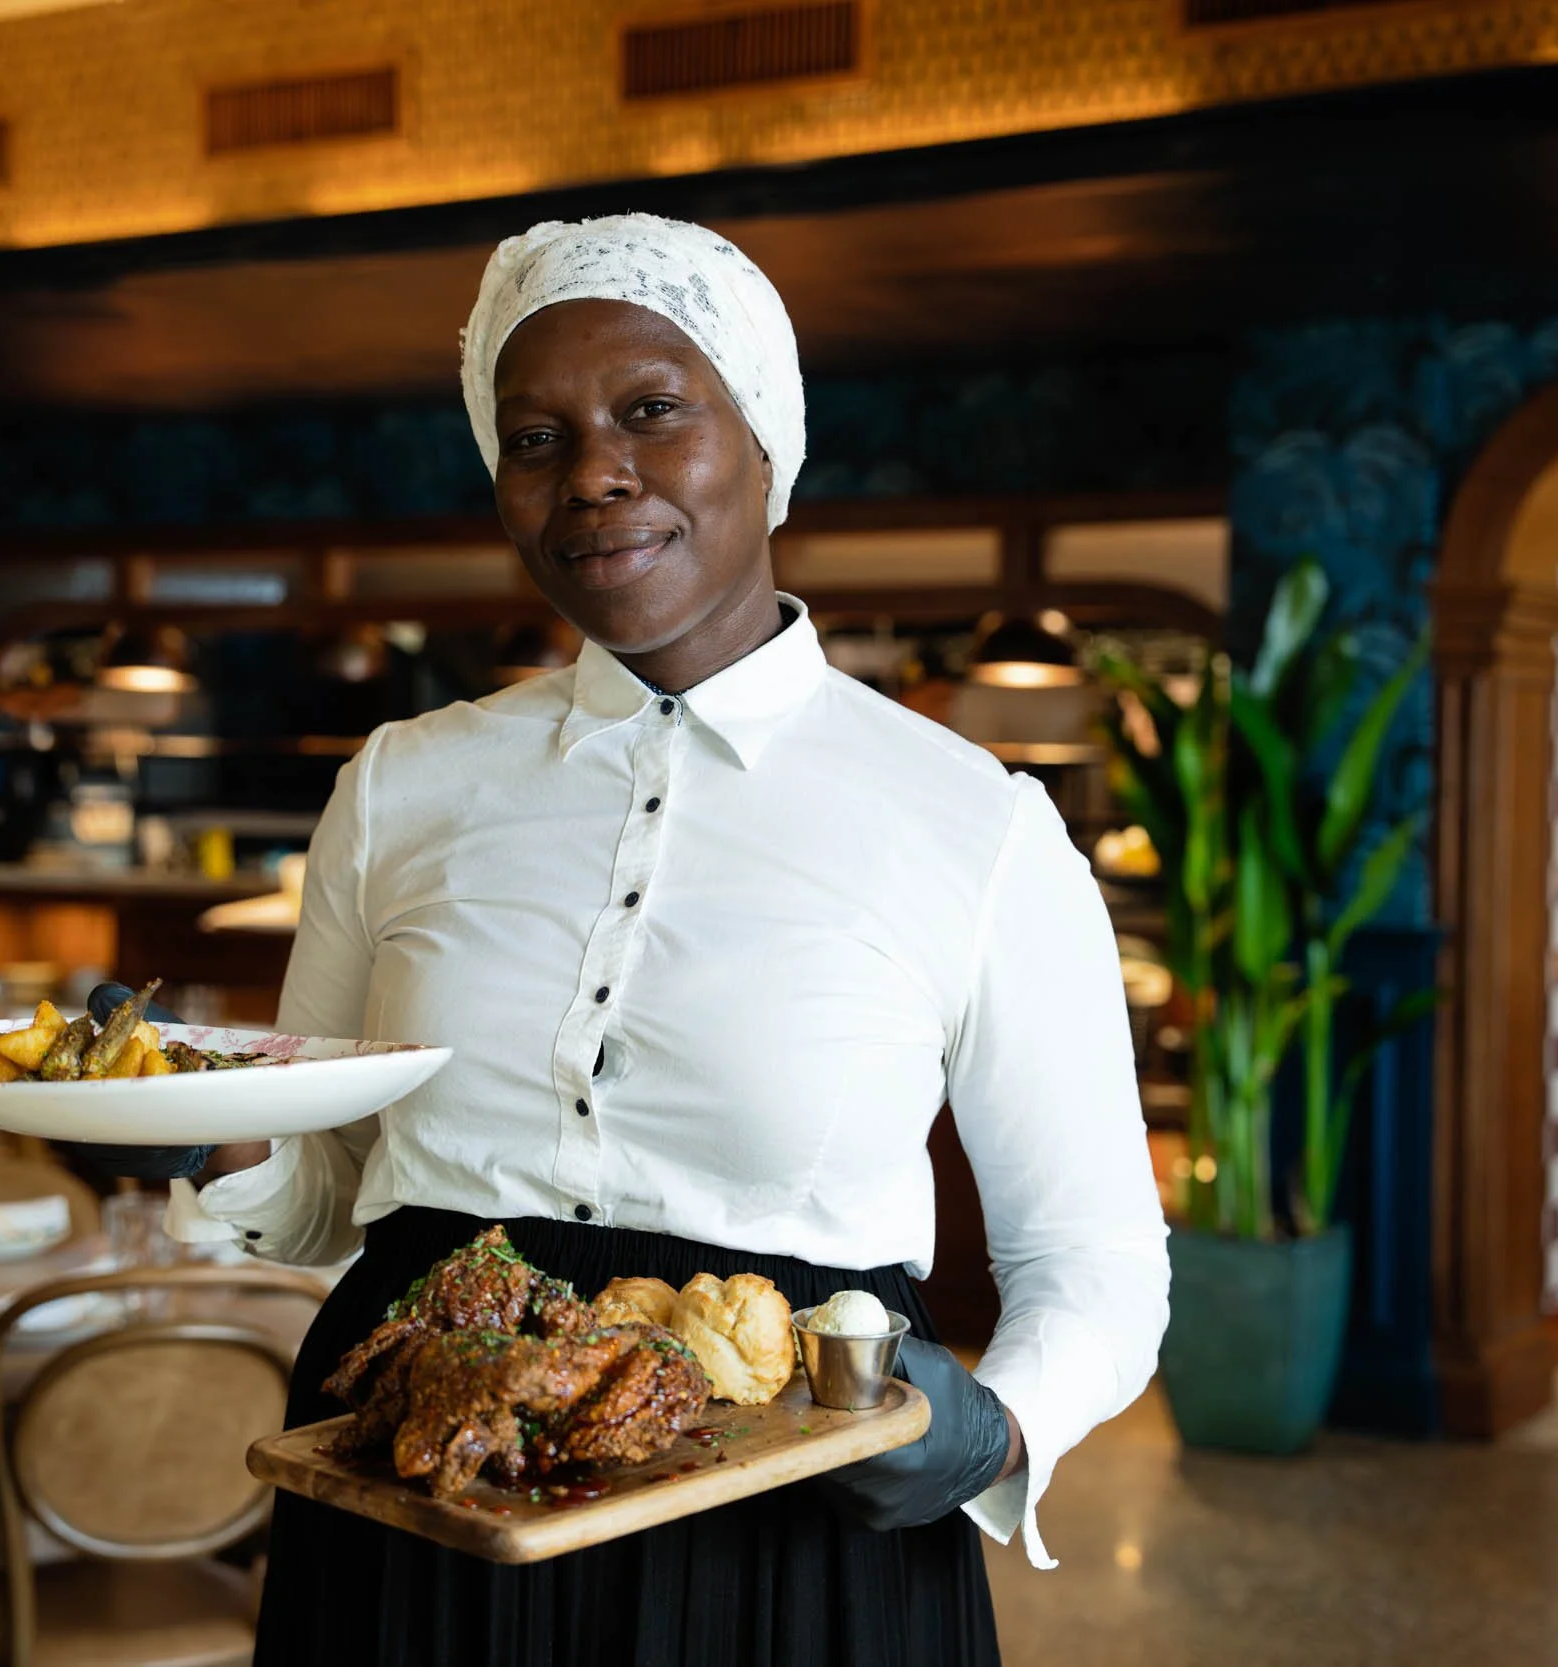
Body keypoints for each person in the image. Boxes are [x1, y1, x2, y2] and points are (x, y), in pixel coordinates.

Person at [109, 213, 1169, 1666]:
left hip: (793, 1507)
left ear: (767, 439)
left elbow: (1097, 1257)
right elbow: (326, 1192)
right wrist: (193, 1127)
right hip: (419, 1474)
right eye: (533, 437)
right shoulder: (401, 785)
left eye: (652, 411)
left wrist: (994, 1427)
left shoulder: (972, 824)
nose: (593, 473)